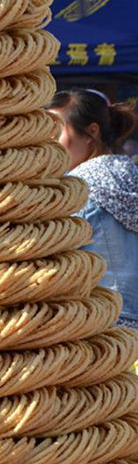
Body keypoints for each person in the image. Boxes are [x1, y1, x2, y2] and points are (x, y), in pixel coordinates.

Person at [48, 89, 138, 328]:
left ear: (91, 133)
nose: (50, 144)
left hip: (101, 331)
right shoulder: (132, 174)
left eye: (57, 133)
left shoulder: (77, 190)